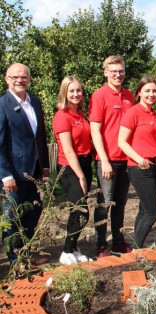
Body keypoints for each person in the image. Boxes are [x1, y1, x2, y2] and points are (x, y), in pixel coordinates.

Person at [0, 63, 50, 266]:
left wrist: (44, 165)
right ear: (6, 79)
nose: (20, 80)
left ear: (29, 79)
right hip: (13, 173)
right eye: (15, 77)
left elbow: (39, 137)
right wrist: (5, 175)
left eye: (24, 77)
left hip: (33, 170)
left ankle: (24, 252)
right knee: (11, 218)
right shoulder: (2, 105)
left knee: (34, 209)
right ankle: (15, 260)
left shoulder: (35, 102)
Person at [89, 55, 134, 257]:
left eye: (121, 70)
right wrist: (104, 160)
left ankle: (117, 241)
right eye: (113, 71)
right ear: (105, 72)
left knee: (120, 203)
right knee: (104, 203)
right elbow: (95, 130)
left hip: (126, 160)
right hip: (107, 160)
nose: (118, 74)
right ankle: (100, 244)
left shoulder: (130, 97)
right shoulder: (99, 96)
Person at [118, 76, 156, 248]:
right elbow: (121, 141)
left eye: (154, 91)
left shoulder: (155, 114)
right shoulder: (133, 112)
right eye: (147, 91)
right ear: (139, 92)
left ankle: (134, 247)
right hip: (140, 168)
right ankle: (137, 249)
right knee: (153, 212)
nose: (151, 94)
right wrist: (140, 160)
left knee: (144, 209)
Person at [53, 76, 93, 265]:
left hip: (85, 164)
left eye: (78, 90)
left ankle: (74, 249)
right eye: (71, 91)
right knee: (81, 211)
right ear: (64, 93)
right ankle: (66, 252)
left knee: (78, 210)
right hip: (70, 168)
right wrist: (80, 176)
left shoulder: (81, 114)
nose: (76, 94)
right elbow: (68, 150)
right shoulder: (62, 116)